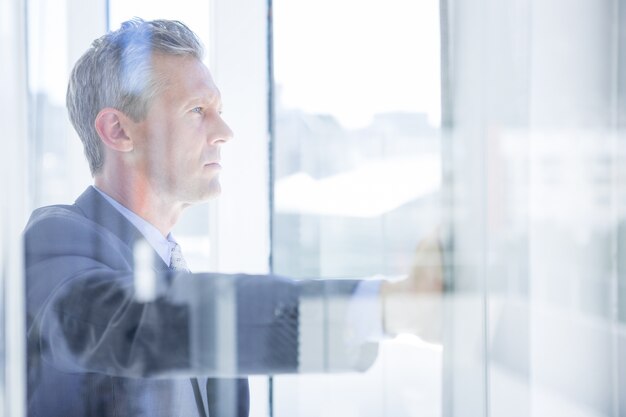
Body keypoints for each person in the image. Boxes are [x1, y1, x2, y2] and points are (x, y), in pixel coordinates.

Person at [23, 18, 443, 417]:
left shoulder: (173, 274)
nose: (224, 130)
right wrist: (381, 309)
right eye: (197, 110)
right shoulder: (54, 242)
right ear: (118, 131)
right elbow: (144, 323)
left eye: (218, 109)